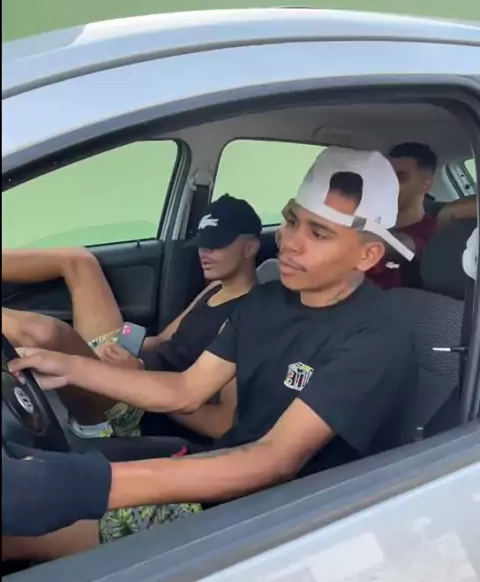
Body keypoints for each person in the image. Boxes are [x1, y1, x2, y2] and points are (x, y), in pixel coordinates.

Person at [7, 148, 417, 560]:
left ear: (367, 255)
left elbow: (275, 460)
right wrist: (71, 366)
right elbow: (186, 390)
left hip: (282, 515)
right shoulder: (266, 302)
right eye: (292, 221)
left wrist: (88, 485)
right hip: (223, 473)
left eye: (319, 233)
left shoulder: (377, 335)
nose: (290, 243)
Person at [3, 194, 261, 442]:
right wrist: (115, 349)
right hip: (131, 369)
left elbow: (221, 424)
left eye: (216, 245)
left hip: (139, 410)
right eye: (202, 243)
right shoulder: (215, 287)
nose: (204, 252)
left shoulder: (251, 317)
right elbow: (163, 340)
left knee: (45, 333)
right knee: (79, 261)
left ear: (250, 247)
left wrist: (139, 375)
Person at [369, 142, 438, 290]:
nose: (389, 185)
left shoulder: (433, 233)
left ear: (426, 185)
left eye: (401, 177)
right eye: (387, 176)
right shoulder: (370, 221)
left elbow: (407, 245)